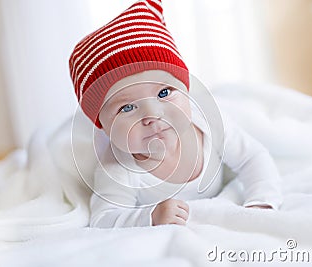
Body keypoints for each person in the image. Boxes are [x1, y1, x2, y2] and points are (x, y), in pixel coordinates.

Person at [69, 0, 283, 228]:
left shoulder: (209, 124)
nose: (153, 115)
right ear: (102, 125)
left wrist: (261, 201)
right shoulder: (118, 169)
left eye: (164, 92)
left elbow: (253, 157)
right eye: (127, 107)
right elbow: (104, 219)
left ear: (186, 90)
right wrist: (148, 217)